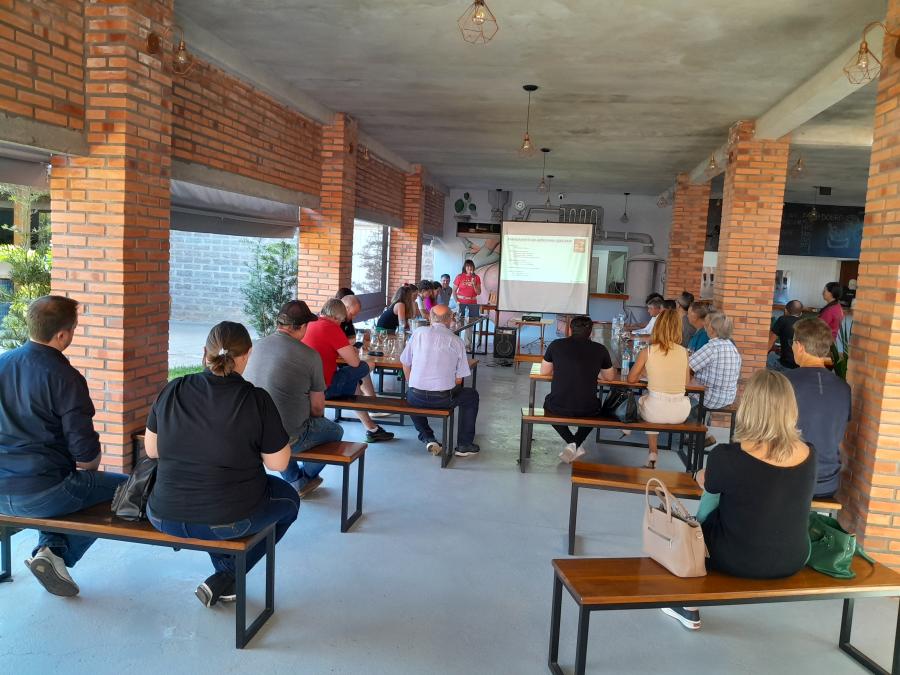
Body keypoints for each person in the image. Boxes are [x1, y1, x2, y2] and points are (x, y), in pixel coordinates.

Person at [143, 322, 300, 607]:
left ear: (205, 353)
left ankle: (226, 576)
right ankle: (228, 575)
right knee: (289, 500)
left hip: (162, 513)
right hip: (227, 521)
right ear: (248, 355)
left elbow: (152, 451)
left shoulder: (173, 388)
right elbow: (279, 463)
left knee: (219, 503)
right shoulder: (256, 399)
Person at [661, 370, 815, 631]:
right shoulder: (810, 453)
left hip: (735, 559)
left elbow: (707, 508)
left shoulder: (726, 456)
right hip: (794, 557)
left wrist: (703, 478)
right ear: (790, 408)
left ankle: (688, 606)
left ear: (749, 407)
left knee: (692, 526)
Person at [0, 296, 126, 597]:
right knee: (127, 490)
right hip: (43, 491)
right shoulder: (65, 377)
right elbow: (86, 457)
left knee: (72, 490)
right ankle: (57, 553)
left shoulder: (2, 363)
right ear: (62, 335)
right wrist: (91, 467)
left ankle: (51, 549)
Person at [244, 301, 344, 498]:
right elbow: (317, 408)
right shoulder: (309, 356)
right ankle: (304, 478)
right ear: (303, 326)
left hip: (254, 432)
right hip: (289, 436)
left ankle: (294, 479)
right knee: (335, 430)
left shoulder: (256, 347)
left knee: (280, 429)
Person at [305, 299, 394, 442]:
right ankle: (372, 421)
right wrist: (352, 353)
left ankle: (372, 429)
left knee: (353, 383)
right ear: (338, 317)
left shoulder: (309, 324)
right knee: (366, 366)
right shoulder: (332, 328)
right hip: (323, 389)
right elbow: (354, 362)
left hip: (306, 386)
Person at [399, 304, 480, 457]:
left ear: (430, 317)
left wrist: (412, 383)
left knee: (410, 397)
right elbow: (459, 380)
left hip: (416, 395)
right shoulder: (456, 341)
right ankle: (464, 444)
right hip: (442, 399)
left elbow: (405, 362)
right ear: (450, 319)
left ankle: (428, 437)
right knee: (471, 396)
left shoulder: (418, 333)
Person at [785, 318, 851, 498]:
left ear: (799, 346)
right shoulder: (843, 388)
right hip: (828, 482)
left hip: (789, 479)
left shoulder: (784, 382)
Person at [540, 315, 616, 463]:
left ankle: (572, 443)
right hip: (587, 408)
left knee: (547, 406)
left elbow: (544, 372)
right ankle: (576, 443)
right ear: (591, 332)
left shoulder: (556, 345)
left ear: (570, 329)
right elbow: (610, 377)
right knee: (597, 411)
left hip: (558, 406)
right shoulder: (600, 349)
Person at [627, 309, 691, 468]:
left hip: (655, 410)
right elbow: (686, 383)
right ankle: (652, 453)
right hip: (680, 412)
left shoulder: (647, 351)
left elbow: (631, 379)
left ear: (658, 327)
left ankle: (652, 450)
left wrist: (646, 372)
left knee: (646, 402)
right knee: (652, 402)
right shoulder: (684, 352)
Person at [689, 311, 741, 445]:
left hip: (709, 397)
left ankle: (701, 433)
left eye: (706, 325)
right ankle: (698, 432)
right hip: (728, 397)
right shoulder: (733, 347)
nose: (705, 327)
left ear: (712, 329)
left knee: (680, 395)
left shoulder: (712, 347)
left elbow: (686, 366)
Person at [766, 300, 803, 371]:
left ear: (786, 310)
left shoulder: (782, 320)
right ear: (800, 314)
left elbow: (770, 341)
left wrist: (761, 356)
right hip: (800, 366)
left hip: (785, 365)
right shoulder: (804, 322)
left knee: (769, 358)